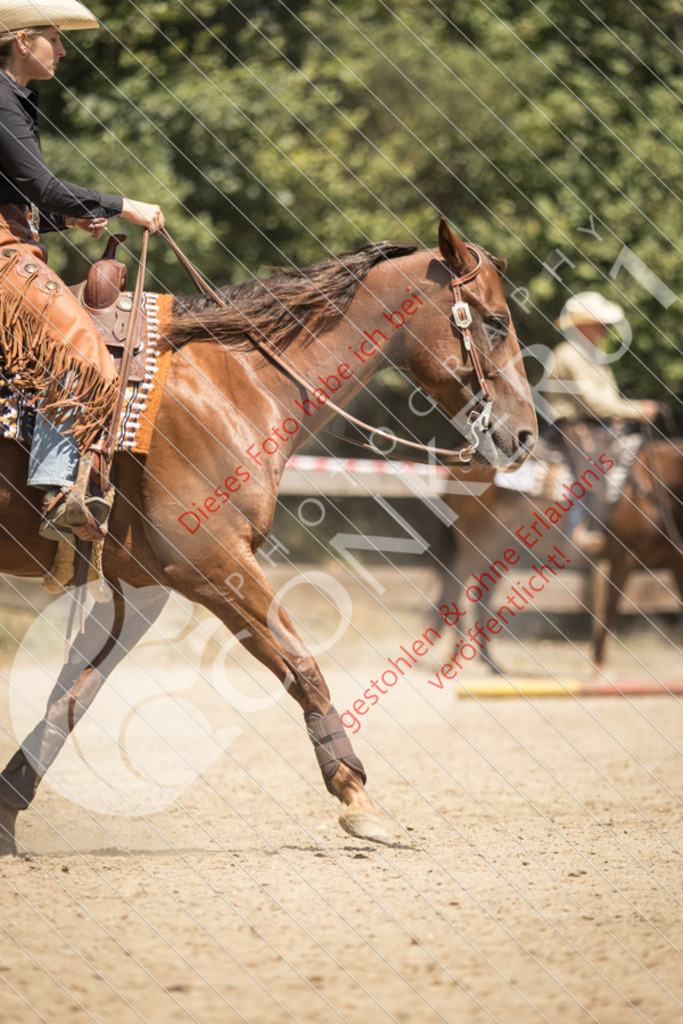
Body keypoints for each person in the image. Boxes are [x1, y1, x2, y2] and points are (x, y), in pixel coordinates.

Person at [0, 0, 164, 539]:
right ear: (23, 41)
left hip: (16, 245)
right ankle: (57, 492)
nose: (63, 49)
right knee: (80, 344)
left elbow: (24, 201)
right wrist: (120, 205)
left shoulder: (17, 99)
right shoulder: (0, 99)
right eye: (54, 38)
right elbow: (41, 188)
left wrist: (68, 219)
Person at [544, 291, 659, 554]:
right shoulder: (569, 354)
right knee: (593, 461)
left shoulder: (594, 355)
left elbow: (606, 399)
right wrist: (636, 409)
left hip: (598, 423)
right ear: (582, 324)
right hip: (574, 425)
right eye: (598, 323)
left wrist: (624, 412)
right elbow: (593, 403)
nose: (604, 329)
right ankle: (580, 526)